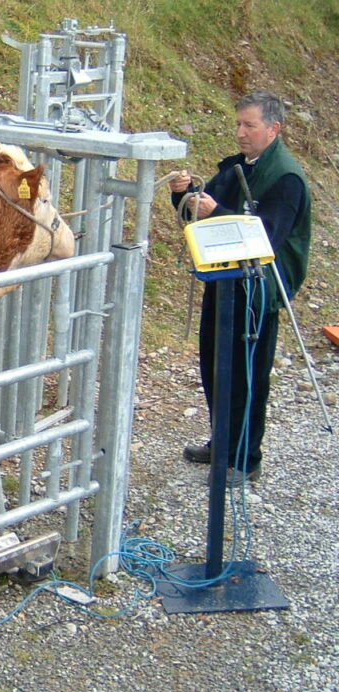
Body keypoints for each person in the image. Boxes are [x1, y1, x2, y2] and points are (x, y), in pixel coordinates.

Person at [168, 90, 312, 487]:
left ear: (273, 129)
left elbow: (267, 234)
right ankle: (222, 443)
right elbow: (203, 204)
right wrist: (184, 192)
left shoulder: (286, 178)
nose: (241, 133)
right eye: (239, 124)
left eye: (249, 125)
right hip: (224, 277)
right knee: (215, 363)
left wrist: (217, 212)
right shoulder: (239, 167)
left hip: (258, 289)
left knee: (247, 373)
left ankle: (246, 458)